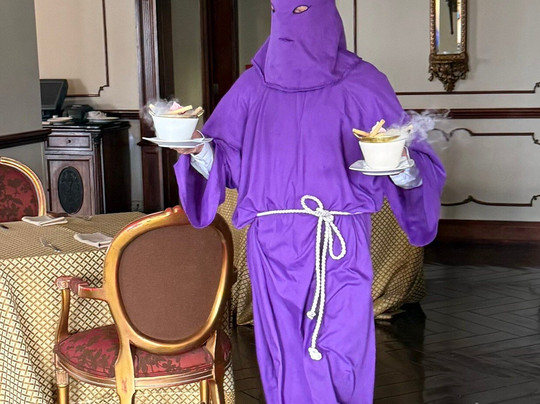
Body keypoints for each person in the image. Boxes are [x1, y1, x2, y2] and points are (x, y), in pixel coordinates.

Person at [174, 0, 445, 402]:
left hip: (339, 240)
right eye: (278, 11)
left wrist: (402, 165)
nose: (288, 24)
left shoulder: (363, 82)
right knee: (283, 350)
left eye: (300, 10)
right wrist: (198, 149)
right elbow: (227, 158)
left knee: (341, 346)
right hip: (271, 243)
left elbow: (407, 154)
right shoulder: (253, 85)